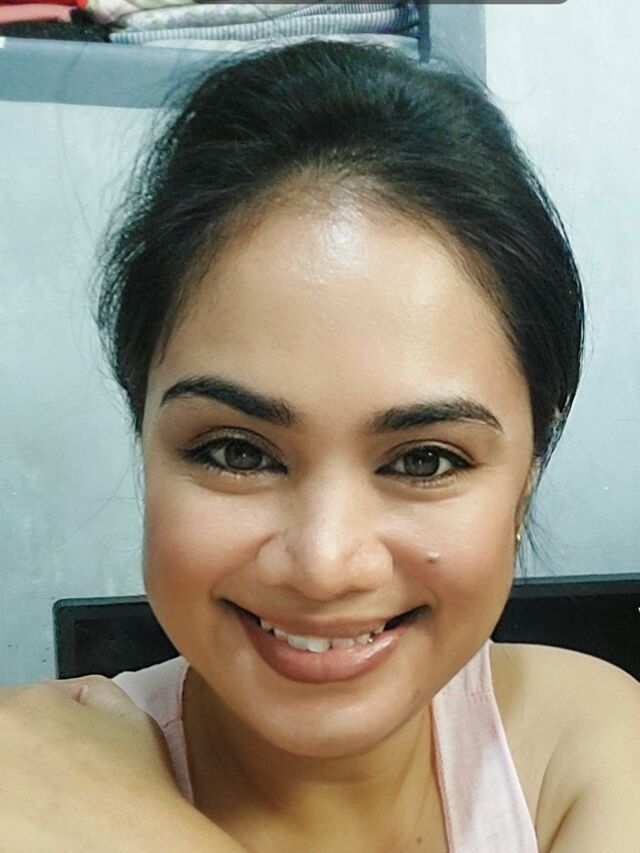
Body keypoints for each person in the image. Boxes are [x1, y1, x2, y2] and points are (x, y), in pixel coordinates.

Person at [2, 39, 638, 853]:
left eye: (424, 459)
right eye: (238, 452)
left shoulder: (583, 749)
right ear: (145, 437)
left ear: (527, 477)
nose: (325, 563)